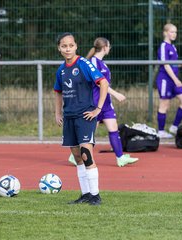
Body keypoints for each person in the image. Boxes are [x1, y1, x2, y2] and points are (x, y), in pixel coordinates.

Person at [54, 32, 109, 205]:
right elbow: (58, 92)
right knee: (77, 156)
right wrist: (57, 113)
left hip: (85, 115)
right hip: (69, 117)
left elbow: (104, 83)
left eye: (71, 45)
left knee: (86, 154)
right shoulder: (61, 69)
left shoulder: (84, 64)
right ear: (59, 48)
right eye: (64, 46)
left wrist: (98, 109)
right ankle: (85, 194)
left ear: (76, 46)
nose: (67, 48)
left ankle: (95, 195)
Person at [84, 37, 138, 167]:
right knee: (90, 133)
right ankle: (77, 155)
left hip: (106, 104)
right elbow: (99, 84)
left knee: (113, 128)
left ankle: (120, 158)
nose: (110, 48)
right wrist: (116, 93)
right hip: (95, 103)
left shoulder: (103, 64)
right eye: (109, 46)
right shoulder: (92, 62)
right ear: (105, 47)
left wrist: (111, 96)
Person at [156, 23, 182, 138]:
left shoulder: (173, 47)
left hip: (175, 80)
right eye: (171, 32)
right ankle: (160, 131)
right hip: (166, 79)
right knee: (164, 104)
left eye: (175, 32)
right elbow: (166, 65)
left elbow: (173, 63)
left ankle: (174, 127)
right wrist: (176, 80)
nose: (174, 34)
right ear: (165, 33)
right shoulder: (163, 46)